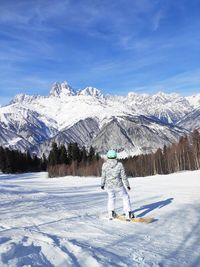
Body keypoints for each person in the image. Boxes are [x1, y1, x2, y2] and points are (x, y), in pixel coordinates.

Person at [101, 149, 134, 220]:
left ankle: (111, 213)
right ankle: (128, 213)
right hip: (118, 185)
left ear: (108, 156)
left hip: (108, 186)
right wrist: (127, 185)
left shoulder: (104, 165)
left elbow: (103, 176)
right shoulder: (119, 165)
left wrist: (102, 184)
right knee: (125, 196)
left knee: (111, 197)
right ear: (115, 156)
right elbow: (123, 176)